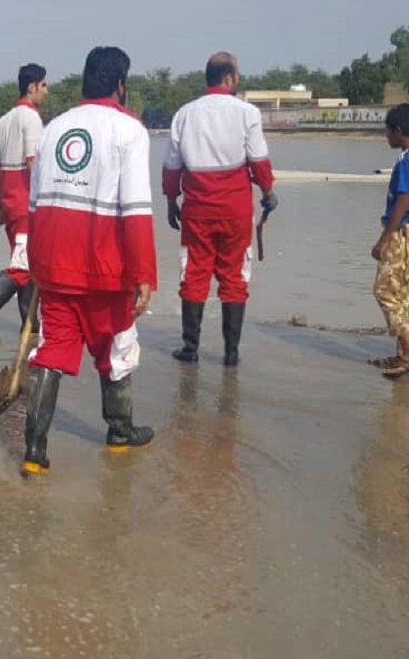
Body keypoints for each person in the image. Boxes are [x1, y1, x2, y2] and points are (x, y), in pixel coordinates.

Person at [18, 46, 157, 477]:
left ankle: (35, 451)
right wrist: (144, 274)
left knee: (51, 352)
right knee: (116, 347)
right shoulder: (129, 130)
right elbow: (135, 207)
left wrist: (37, 265)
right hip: (106, 268)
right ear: (120, 85)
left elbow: (36, 205)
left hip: (55, 263)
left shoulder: (54, 127)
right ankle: (119, 431)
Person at [163, 52, 277, 366]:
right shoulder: (247, 113)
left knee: (194, 275)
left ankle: (190, 348)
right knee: (234, 278)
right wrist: (268, 193)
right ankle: (231, 354)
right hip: (236, 211)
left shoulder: (184, 114)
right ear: (229, 78)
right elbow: (259, 163)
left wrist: (171, 201)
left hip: (196, 211)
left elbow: (172, 168)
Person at [0, 63, 48, 346]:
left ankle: (31, 325)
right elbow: (32, 164)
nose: (46, 92)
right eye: (44, 86)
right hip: (26, 202)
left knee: (25, 263)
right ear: (32, 87)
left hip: (8, 199)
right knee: (23, 267)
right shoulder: (32, 119)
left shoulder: (3, 121)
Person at [370, 105, 409, 378]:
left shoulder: (406, 161)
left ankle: (408, 348)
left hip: (401, 231)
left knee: (384, 291)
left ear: (397, 131)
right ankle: (402, 356)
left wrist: (384, 240)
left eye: (387, 131)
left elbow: (404, 199)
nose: (385, 136)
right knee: (404, 294)